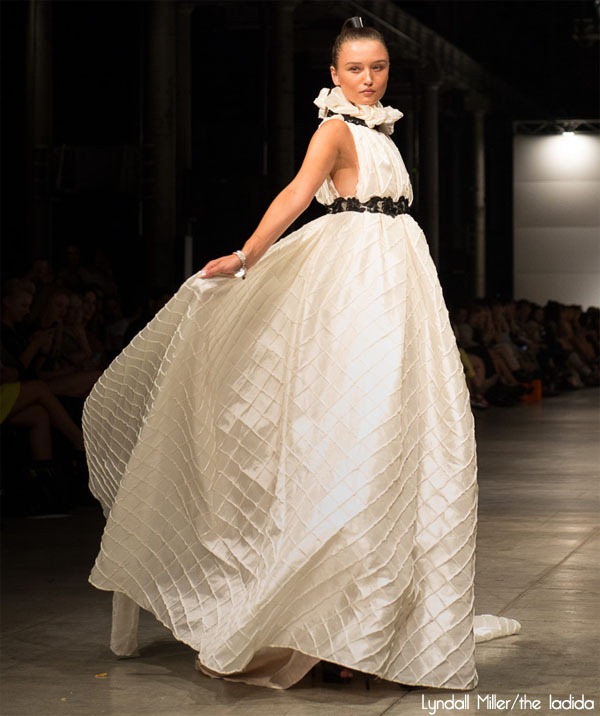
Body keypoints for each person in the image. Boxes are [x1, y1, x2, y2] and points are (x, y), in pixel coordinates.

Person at [84, 18, 518, 691]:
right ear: (334, 75)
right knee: (363, 432)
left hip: (399, 277)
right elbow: (295, 193)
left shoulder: (381, 133)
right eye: (356, 69)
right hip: (358, 280)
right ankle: (328, 622)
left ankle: (371, 618)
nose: (368, 78)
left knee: (404, 432)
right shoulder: (336, 129)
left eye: (378, 67)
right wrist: (247, 255)